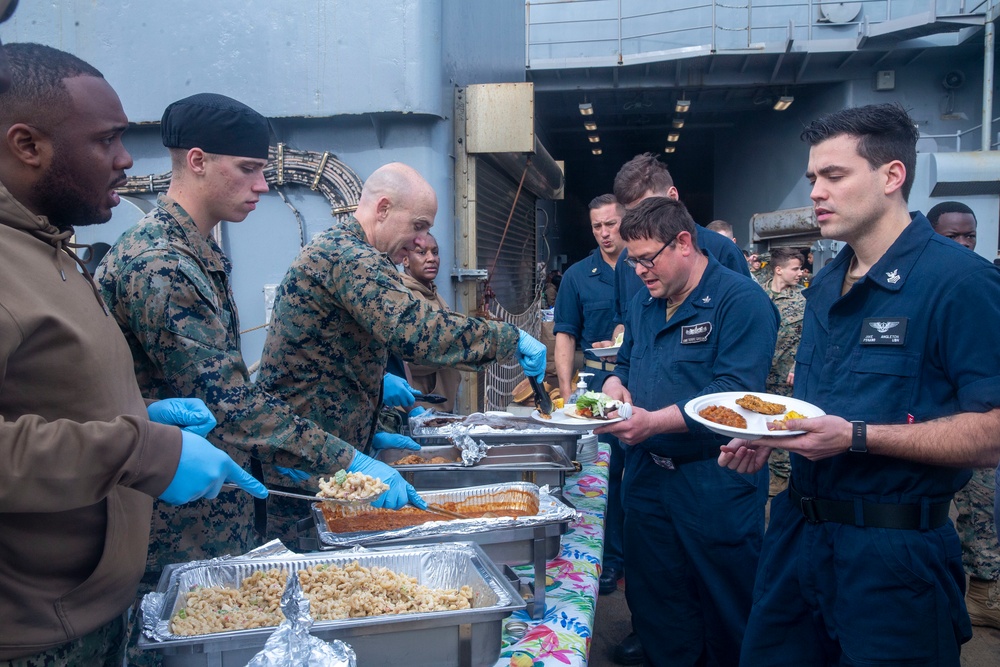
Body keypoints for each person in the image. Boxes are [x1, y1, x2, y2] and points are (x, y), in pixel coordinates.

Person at [0, 43, 265, 665]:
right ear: (26, 145)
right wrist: (142, 447)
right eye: (106, 140)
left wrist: (141, 414)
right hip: (35, 636)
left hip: (92, 613)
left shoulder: (48, 247)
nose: (125, 161)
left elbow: (46, 395)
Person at [720, 103, 1000, 666]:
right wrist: (771, 431)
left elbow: (993, 433)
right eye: (813, 179)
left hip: (892, 560)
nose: (816, 192)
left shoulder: (959, 283)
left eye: (834, 176)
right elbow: (823, 401)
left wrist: (857, 436)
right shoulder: (828, 283)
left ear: (892, 176)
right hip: (799, 539)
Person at [256, 162, 546, 476]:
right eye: (417, 226)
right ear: (383, 208)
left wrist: (374, 422)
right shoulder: (350, 257)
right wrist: (509, 338)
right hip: (302, 454)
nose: (418, 241)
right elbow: (418, 331)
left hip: (325, 445)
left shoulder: (350, 252)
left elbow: (340, 363)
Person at [595, 197, 778, 667]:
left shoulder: (741, 302)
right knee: (659, 602)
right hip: (649, 479)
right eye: (632, 260)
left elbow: (733, 392)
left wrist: (653, 421)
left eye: (645, 259)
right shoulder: (644, 301)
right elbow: (627, 362)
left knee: (725, 604)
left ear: (683, 243)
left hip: (714, 480)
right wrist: (615, 385)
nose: (637, 271)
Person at [925, 202, 1000, 628]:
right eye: (952, 236)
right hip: (936, 426)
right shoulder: (929, 284)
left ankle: (983, 591)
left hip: (978, 419)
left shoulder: (981, 280)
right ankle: (970, 593)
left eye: (969, 235)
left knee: (982, 510)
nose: (964, 243)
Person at [552, 194, 627, 597]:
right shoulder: (578, 276)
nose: (604, 233)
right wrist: (567, 397)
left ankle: (642, 554)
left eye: (611, 224)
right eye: (597, 226)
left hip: (641, 383)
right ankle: (610, 558)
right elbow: (564, 334)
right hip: (597, 385)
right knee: (605, 476)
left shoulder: (644, 264)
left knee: (646, 472)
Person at [760, 247, 806, 497]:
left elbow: (814, 336)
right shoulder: (756, 293)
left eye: (800, 268)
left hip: (785, 376)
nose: (800, 273)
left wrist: (800, 363)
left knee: (784, 424)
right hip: (759, 373)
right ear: (779, 270)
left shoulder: (804, 299)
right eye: (795, 269)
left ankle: (782, 479)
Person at [400, 232, 463, 412]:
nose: (431, 259)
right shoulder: (406, 297)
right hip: (419, 406)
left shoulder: (432, 294)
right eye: (422, 253)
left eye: (435, 252)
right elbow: (410, 357)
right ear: (405, 260)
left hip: (439, 405)